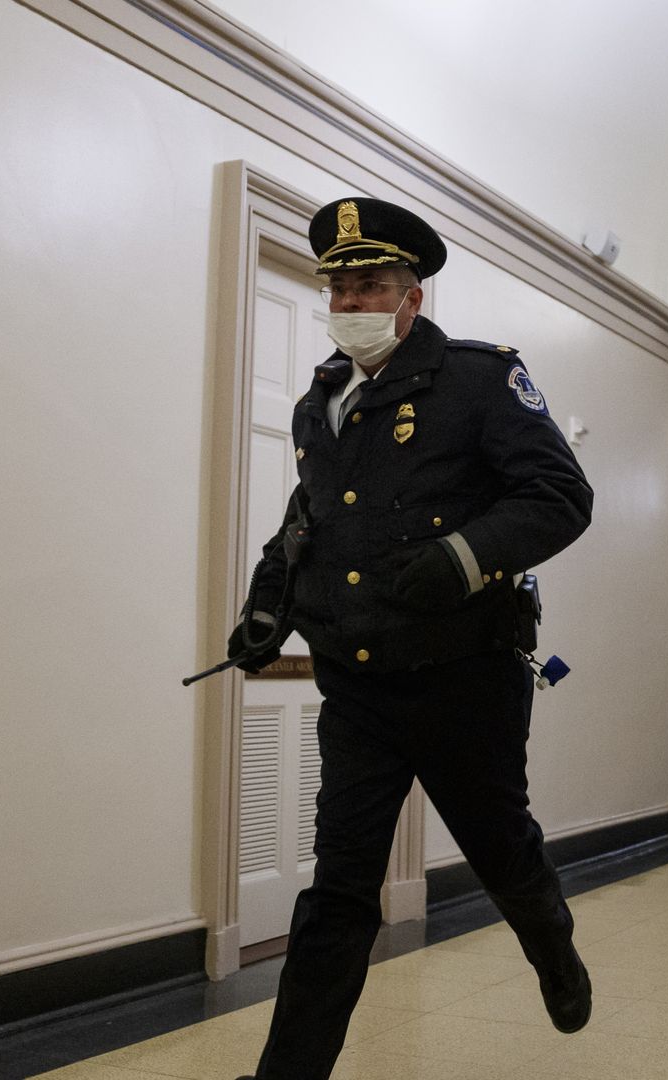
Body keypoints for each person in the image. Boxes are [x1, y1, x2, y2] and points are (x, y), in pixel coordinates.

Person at [225, 196, 595, 1080]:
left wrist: (461, 560)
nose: (353, 303)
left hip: (466, 677)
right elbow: (306, 521)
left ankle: (551, 942)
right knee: (340, 889)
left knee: (499, 844)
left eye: (373, 286)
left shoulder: (480, 381)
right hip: (360, 685)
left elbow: (560, 498)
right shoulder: (321, 402)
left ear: (412, 297)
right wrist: (266, 605)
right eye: (341, 288)